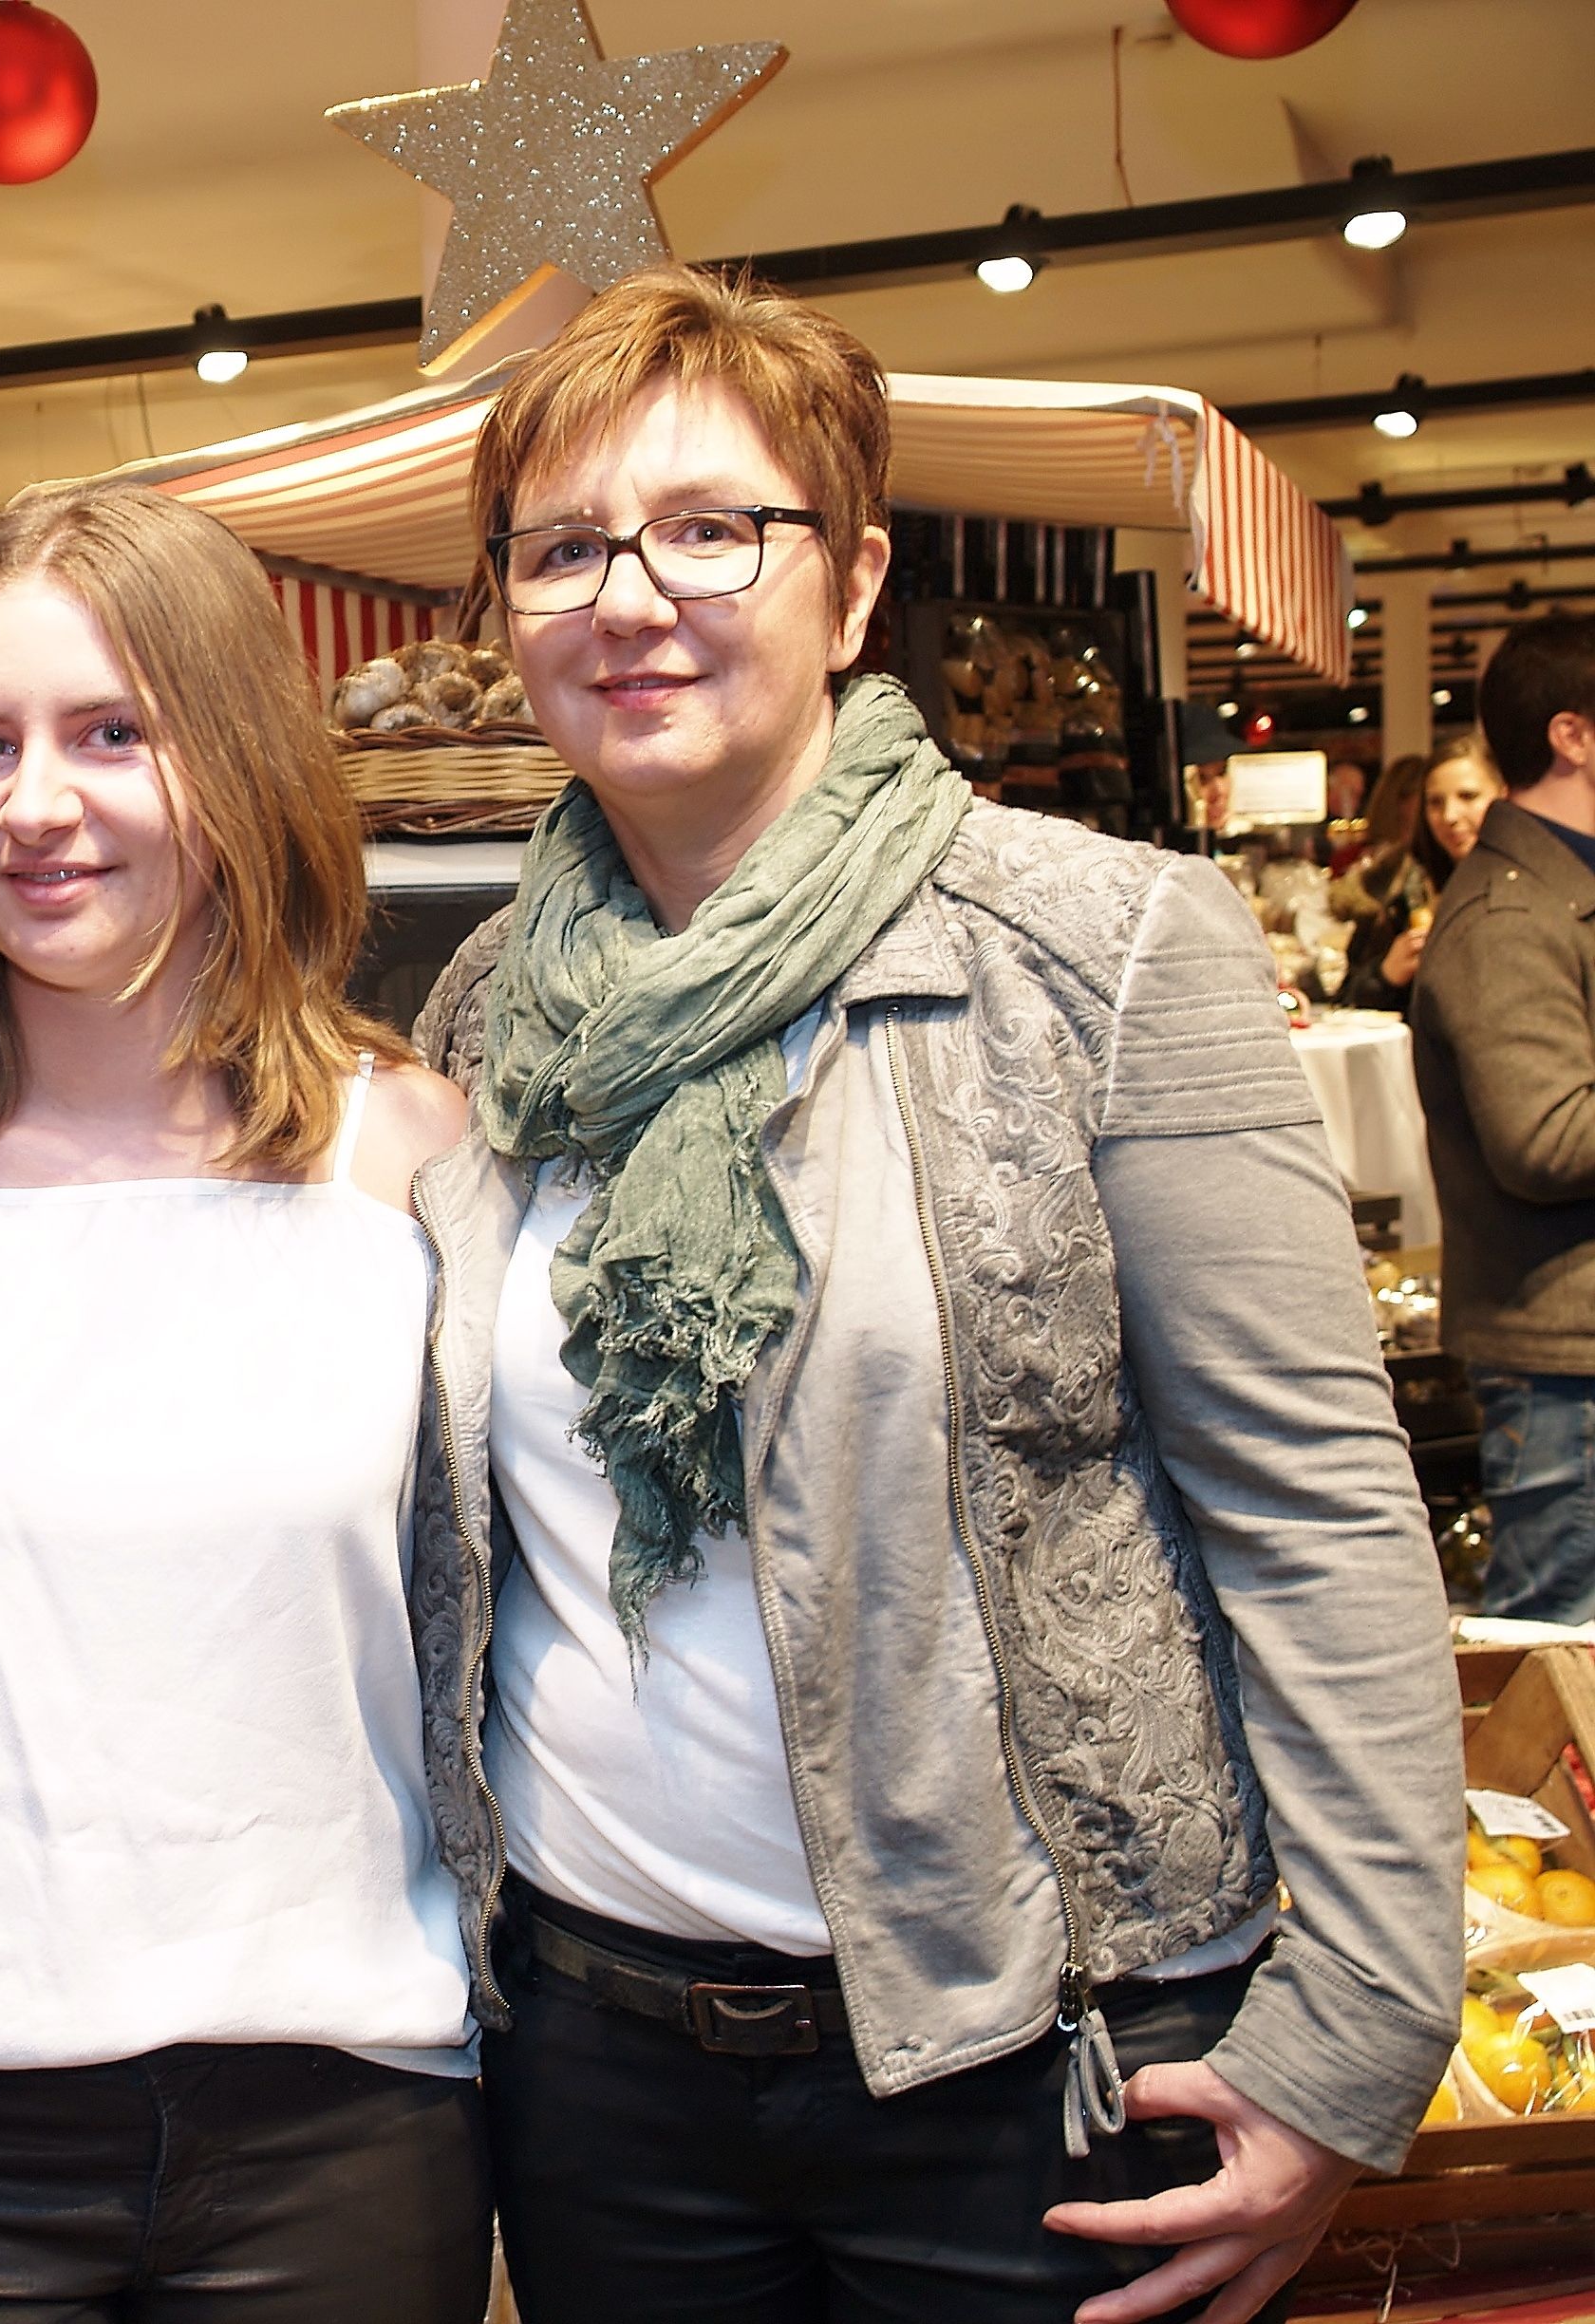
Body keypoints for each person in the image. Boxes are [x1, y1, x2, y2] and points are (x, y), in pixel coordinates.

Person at [407, 266, 1460, 2324]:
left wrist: (1353, 2029)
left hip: (1037, 2060)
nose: (633, 596)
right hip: (599, 2065)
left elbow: (1316, 1510)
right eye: (561, 548)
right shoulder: (484, 1016)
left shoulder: (1098, 948)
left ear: (855, 582)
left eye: (711, 528)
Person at [0, 478, 491, 2323]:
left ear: (229, 758)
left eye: (110, 733)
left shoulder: (405, 1150)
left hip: (340, 2120)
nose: (34, 803)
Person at [1412, 611, 1595, 1623]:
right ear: (1572, 736)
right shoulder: (1511, 914)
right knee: (1563, 1656)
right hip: (1565, 1359)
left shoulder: (1558, 893)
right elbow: (1545, 1137)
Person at [1340, 740, 1497, 1010]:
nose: (1449, 816)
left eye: (1468, 796)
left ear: (1503, 795)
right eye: (1435, 802)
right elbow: (1348, 996)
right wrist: (1385, 976)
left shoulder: (1528, 884)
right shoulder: (1401, 888)